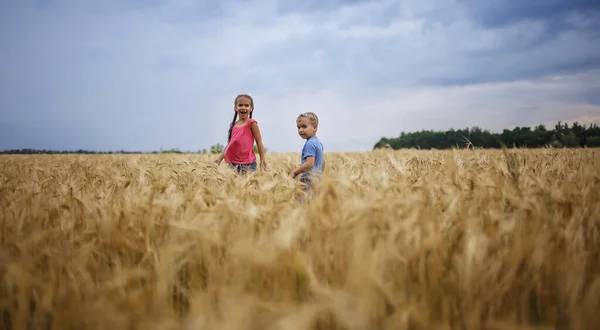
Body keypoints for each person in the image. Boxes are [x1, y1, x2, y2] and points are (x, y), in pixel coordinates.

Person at [215, 94, 267, 174]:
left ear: (251, 108)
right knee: (232, 186)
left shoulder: (252, 124)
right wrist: (219, 159)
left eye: (246, 105)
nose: (243, 108)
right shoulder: (232, 125)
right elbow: (230, 144)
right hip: (233, 165)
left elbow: (259, 142)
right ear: (235, 108)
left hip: (249, 165)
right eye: (240, 105)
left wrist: (262, 160)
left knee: (249, 186)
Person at [290, 112, 325, 191]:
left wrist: (294, 172)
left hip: (308, 179)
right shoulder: (318, 142)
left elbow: (309, 163)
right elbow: (323, 162)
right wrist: (320, 174)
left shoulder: (310, 144)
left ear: (315, 128)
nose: (300, 130)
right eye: (298, 127)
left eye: (304, 127)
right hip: (317, 179)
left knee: (305, 201)